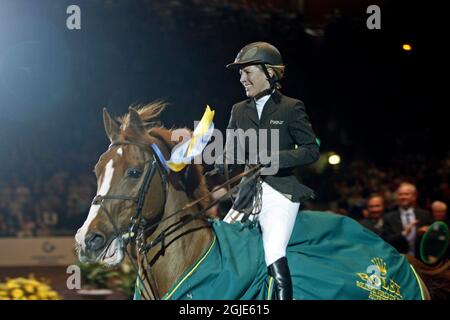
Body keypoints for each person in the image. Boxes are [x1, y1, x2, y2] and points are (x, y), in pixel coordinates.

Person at [215, 42, 320, 300]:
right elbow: (229, 154)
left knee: (273, 251)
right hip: (248, 193)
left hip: (280, 193)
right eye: (240, 74)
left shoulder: (291, 107)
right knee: (221, 245)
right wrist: (195, 158)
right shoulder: (238, 110)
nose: (242, 79)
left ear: (269, 73)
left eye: (247, 72)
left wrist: (274, 157)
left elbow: (310, 150)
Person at [382, 182, 433, 257]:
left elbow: (432, 240)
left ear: (414, 197)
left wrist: (422, 234)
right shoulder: (388, 217)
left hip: (421, 261)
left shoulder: (425, 215)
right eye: (400, 194)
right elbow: (385, 242)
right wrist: (403, 234)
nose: (403, 197)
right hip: (399, 260)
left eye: (406, 194)